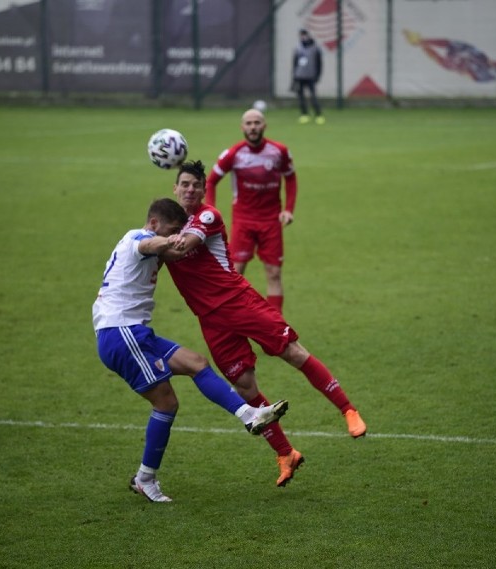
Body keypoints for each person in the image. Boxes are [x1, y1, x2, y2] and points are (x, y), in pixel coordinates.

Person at [163, 160, 367, 489]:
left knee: (292, 352)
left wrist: (151, 241)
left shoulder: (207, 216)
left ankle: (347, 409)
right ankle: (286, 453)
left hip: (239, 302)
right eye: (183, 184)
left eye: (195, 185)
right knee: (245, 388)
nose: (189, 190)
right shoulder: (165, 226)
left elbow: (184, 246)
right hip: (211, 320)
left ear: (203, 189)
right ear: (174, 188)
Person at [93, 197, 290, 503]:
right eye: (173, 229)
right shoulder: (138, 238)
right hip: (121, 333)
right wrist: (167, 239)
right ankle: (146, 478)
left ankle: (249, 415)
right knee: (166, 404)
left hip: (136, 333)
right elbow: (149, 245)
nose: (177, 237)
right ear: (156, 224)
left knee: (196, 362)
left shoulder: (141, 239)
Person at [205, 108, 296, 314]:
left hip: (271, 221)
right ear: (242, 127)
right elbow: (210, 181)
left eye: (257, 123)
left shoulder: (279, 151)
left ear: (264, 125)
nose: (253, 127)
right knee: (235, 275)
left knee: (274, 274)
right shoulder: (234, 154)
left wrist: (289, 209)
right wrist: (210, 210)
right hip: (243, 221)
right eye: (249, 123)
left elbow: (290, 177)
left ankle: (276, 330)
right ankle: (235, 322)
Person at [292, 29, 324, 125]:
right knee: (301, 97)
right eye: (301, 36)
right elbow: (295, 63)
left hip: (311, 76)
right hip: (300, 76)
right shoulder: (298, 48)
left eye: (304, 35)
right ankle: (304, 114)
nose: (303, 37)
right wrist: (294, 76)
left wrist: (318, 75)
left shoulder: (315, 48)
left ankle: (318, 115)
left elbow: (319, 64)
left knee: (313, 96)